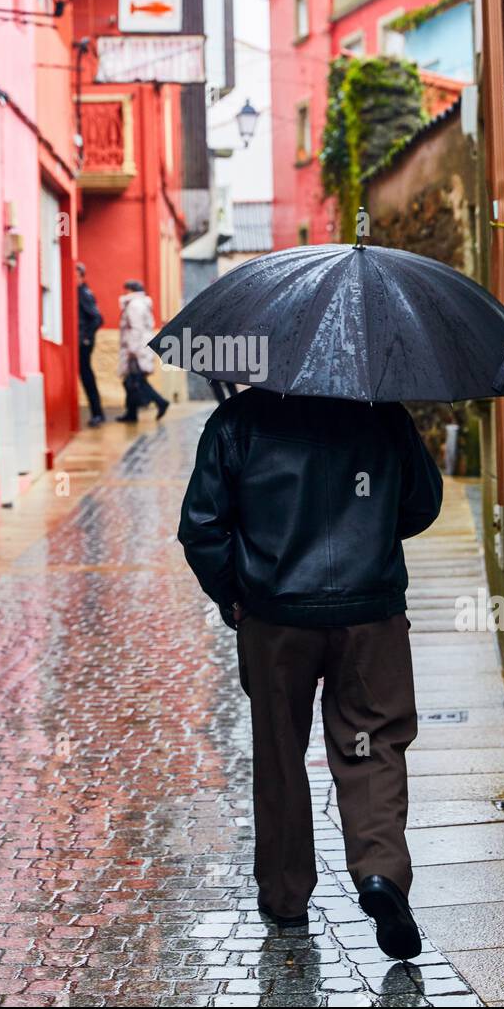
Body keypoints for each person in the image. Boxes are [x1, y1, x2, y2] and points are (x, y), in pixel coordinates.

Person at [177, 387, 443, 958]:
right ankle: (381, 874)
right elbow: (422, 505)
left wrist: (235, 595)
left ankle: (285, 893)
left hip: (276, 620)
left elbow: (201, 526)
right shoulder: (384, 415)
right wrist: (368, 527)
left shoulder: (239, 420)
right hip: (370, 616)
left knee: (280, 751)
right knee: (373, 746)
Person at [116, 279, 170, 423]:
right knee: (131, 382)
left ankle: (160, 402)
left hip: (136, 350)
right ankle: (131, 413)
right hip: (138, 349)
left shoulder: (135, 305)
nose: (124, 292)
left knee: (136, 382)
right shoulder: (138, 304)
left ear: (131, 290)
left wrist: (132, 350)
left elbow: (136, 328)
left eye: (126, 289)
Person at [76, 263, 105, 427]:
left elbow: (97, 318)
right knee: (86, 377)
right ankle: (97, 413)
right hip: (81, 341)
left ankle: (97, 413)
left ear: (81, 276)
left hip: (83, 343)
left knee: (87, 377)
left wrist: (86, 337)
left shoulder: (83, 293)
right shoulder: (79, 292)